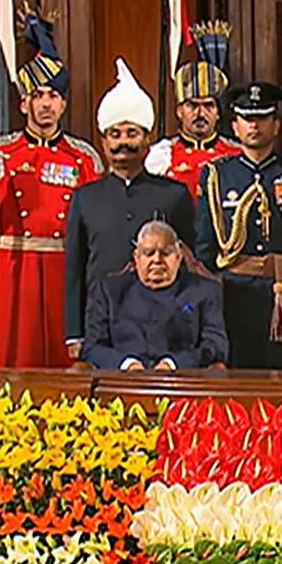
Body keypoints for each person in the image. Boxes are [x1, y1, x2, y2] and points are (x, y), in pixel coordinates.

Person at [0, 3, 103, 368]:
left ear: (64, 103)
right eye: (37, 96)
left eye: (53, 96)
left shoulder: (83, 158)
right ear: (24, 103)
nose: (46, 104)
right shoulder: (3, 151)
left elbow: (96, 228)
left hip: (66, 269)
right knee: (16, 356)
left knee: (63, 360)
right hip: (14, 265)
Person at [63, 58, 195, 359]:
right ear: (103, 140)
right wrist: (74, 332)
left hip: (165, 324)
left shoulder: (173, 195)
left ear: (147, 138)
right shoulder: (85, 197)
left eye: (132, 134)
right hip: (100, 327)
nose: (123, 142)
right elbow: (74, 269)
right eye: (115, 134)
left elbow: (190, 264)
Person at [195, 81, 282, 369]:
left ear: (276, 125)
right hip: (233, 296)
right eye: (247, 118)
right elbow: (204, 249)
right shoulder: (216, 175)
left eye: (262, 118)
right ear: (234, 126)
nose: (254, 126)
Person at [82, 220, 228, 370]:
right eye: (148, 253)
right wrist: (127, 364)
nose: (157, 260)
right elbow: (92, 348)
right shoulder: (108, 290)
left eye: (166, 253)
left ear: (178, 257)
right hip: (122, 380)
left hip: (182, 380)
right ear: (136, 257)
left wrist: (174, 364)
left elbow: (216, 345)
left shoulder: (204, 290)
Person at [145, 20, 241, 195]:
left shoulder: (236, 154)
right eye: (192, 105)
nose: (200, 113)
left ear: (218, 112)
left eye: (208, 106)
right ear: (179, 111)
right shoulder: (162, 155)